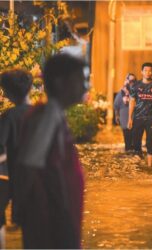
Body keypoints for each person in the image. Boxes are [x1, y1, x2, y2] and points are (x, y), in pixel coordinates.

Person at [14, 54, 87, 248]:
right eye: (79, 80)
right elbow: (27, 165)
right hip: (51, 219)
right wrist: (22, 207)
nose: (84, 87)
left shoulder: (53, 114)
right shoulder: (47, 116)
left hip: (57, 215)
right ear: (60, 82)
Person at [0, 69, 33, 246]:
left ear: (9, 93)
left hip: (12, 177)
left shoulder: (9, 117)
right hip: (37, 179)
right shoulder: (42, 114)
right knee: (31, 227)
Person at [128, 62, 152, 167]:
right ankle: (138, 156)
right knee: (136, 139)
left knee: (150, 141)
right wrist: (130, 118)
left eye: (150, 70)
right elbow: (132, 101)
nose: (148, 72)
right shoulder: (136, 85)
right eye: (145, 70)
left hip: (151, 118)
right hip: (138, 117)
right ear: (141, 72)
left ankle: (150, 166)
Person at [114, 73, 136, 153]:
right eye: (130, 80)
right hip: (124, 116)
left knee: (134, 134)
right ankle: (128, 149)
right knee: (127, 135)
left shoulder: (137, 92)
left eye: (133, 80)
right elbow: (116, 105)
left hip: (134, 116)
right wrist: (116, 116)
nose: (131, 82)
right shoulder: (121, 93)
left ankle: (134, 150)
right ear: (126, 81)